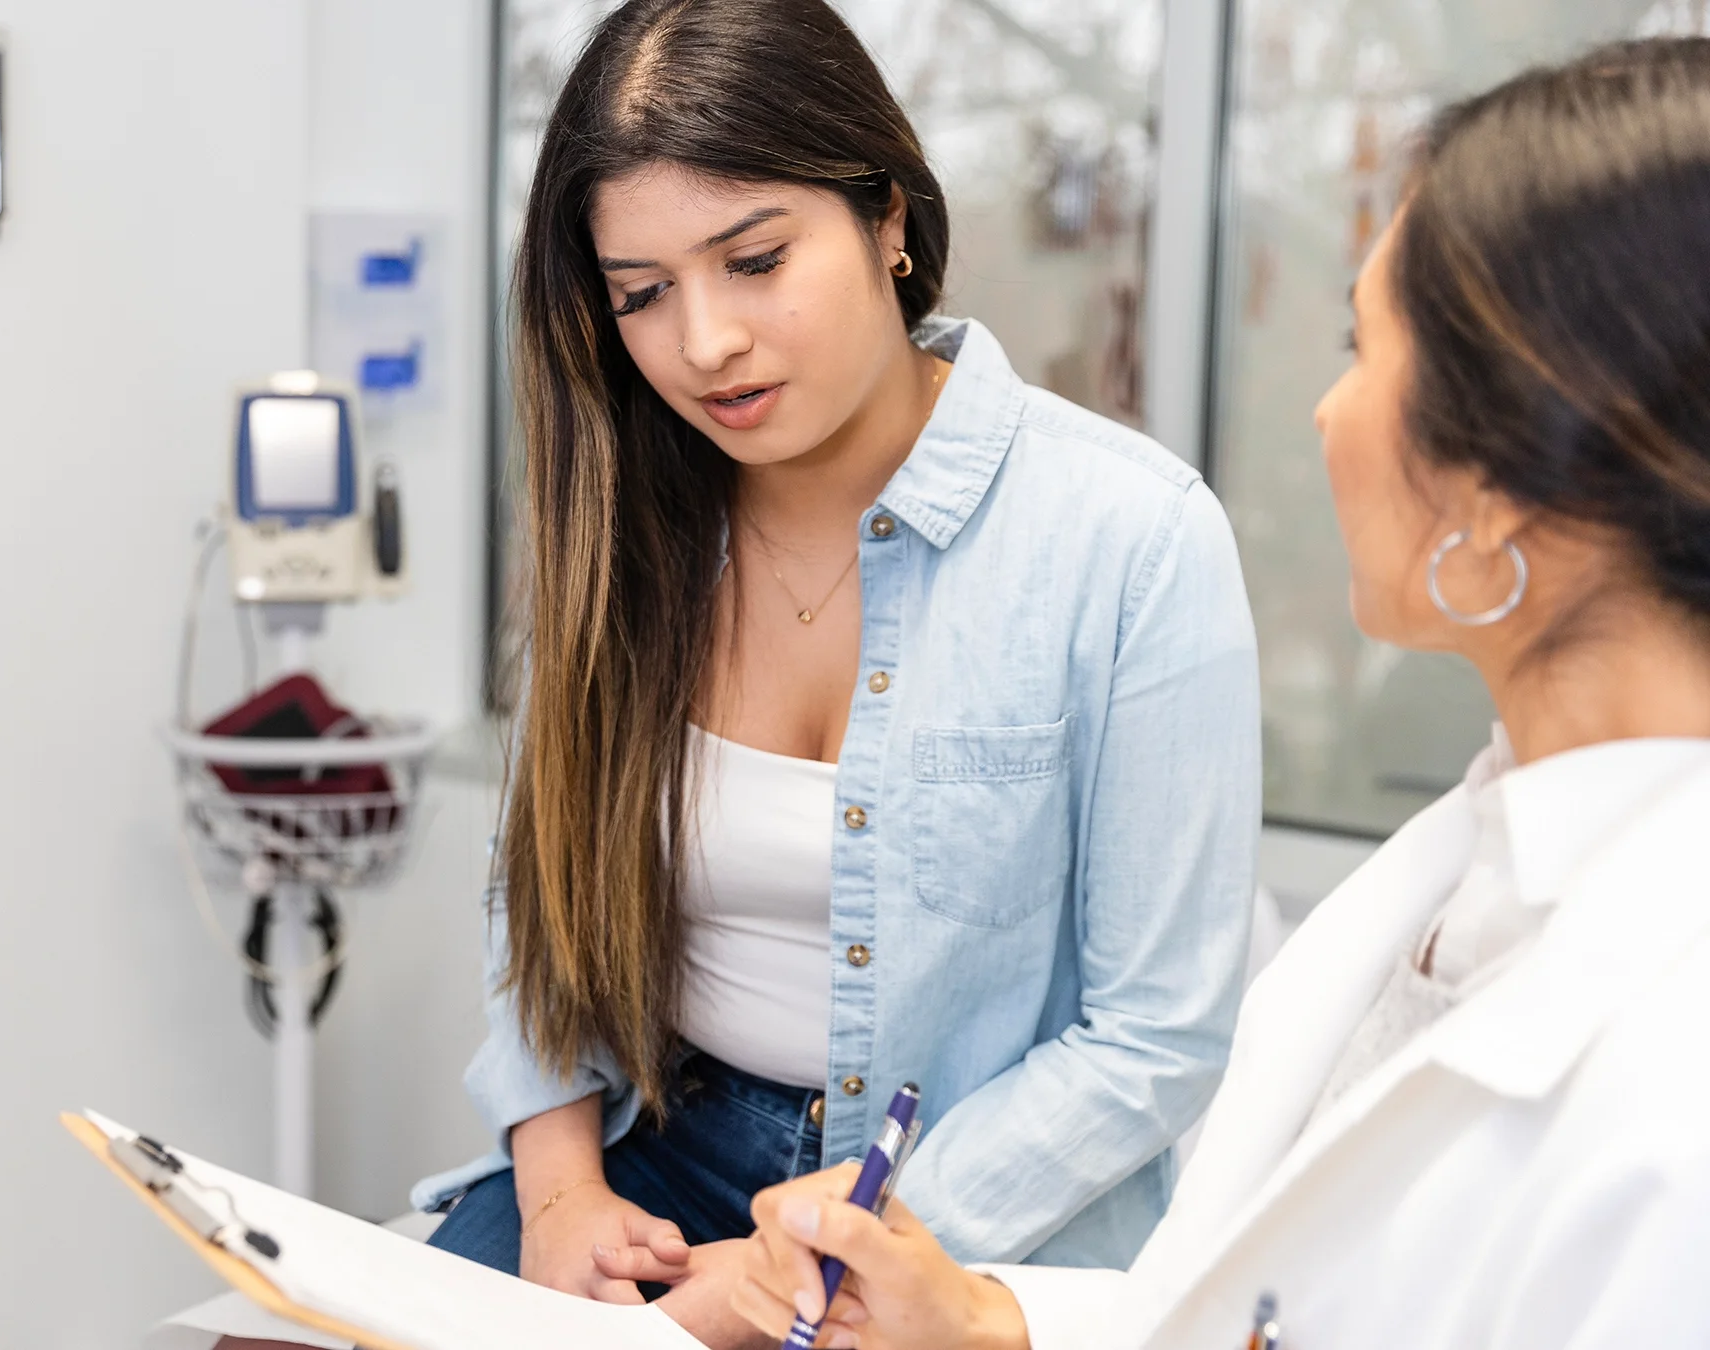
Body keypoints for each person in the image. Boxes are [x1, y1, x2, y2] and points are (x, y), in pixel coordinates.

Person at [731, 37, 1710, 1350]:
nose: (1324, 412)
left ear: (1501, 476)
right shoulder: (1471, 865)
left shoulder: (1676, 1085)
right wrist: (988, 1319)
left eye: (1363, 347)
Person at [398, 1, 1261, 1343]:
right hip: (651, 1150)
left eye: (754, 260)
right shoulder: (627, 518)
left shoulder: (1132, 539)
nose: (705, 342)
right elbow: (544, 897)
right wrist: (561, 1193)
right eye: (642, 293)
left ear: (888, 216)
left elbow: (1156, 1037)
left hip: (954, 1215)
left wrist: (799, 1266)